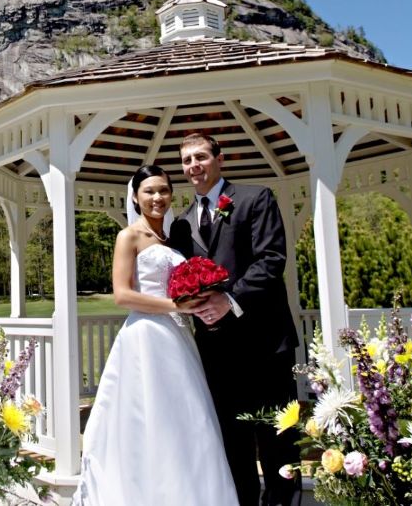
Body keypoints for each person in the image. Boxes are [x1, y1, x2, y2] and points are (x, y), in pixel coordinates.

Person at [73, 165, 239, 506]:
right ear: (135, 197)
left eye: (163, 190)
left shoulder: (172, 238)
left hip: (178, 337)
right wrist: (176, 306)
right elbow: (122, 295)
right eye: (149, 191)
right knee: (148, 418)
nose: (157, 197)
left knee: (186, 419)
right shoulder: (129, 236)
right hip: (146, 338)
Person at [169, 133, 302, 506]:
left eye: (200, 157)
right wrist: (194, 305)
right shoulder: (182, 224)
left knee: (277, 439)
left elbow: (272, 259)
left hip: (265, 343)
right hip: (216, 349)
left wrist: (230, 300)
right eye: (186, 160)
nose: (193, 166)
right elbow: (179, 280)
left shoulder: (255, 198)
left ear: (219, 158)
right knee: (233, 443)